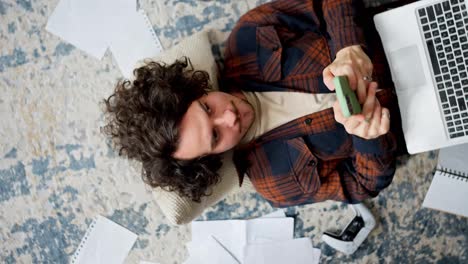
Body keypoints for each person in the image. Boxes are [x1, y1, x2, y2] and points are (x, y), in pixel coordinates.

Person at [103, 0, 406, 207]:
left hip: (403, 32)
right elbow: (364, 186)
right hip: (416, 120)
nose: (230, 118)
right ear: (210, 159)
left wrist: (348, 46)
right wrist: (369, 140)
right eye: (215, 135)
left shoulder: (250, 35)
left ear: (196, 91)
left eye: (208, 108)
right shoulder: (274, 182)